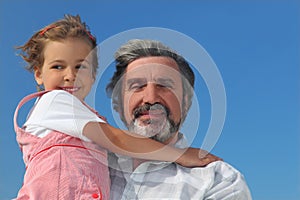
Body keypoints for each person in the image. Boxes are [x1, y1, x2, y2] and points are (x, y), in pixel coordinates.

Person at [13, 15, 220, 200]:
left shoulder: (79, 116)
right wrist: (181, 154)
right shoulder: (55, 101)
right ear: (39, 74)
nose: (70, 75)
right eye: (57, 66)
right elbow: (117, 139)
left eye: (80, 66)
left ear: (93, 75)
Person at [106, 39, 252, 199]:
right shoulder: (88, 162)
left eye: (164, 85)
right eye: (137, 86)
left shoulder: (220, 181)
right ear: (118, 104)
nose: (150, 98)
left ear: (186, 103)